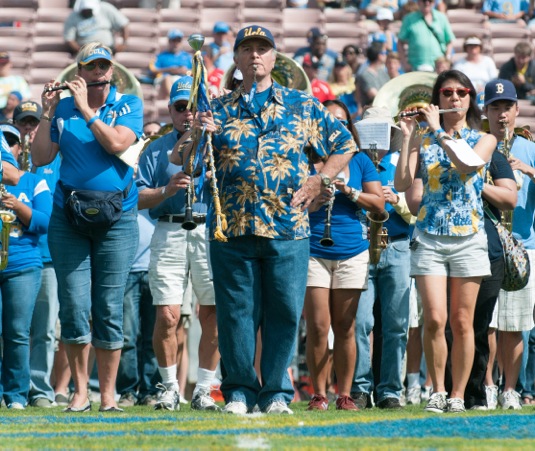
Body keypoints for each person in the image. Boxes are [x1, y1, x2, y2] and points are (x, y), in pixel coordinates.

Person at [195, 25, 358, 415]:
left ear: (274, 58)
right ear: (235, 59)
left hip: (288, 225)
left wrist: (321, 178)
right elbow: (187, 164)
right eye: (246, 49)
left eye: (262, 49)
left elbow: (344, 144)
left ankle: (275, 393)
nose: (254, 56)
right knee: (235, 313)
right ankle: (238, 391)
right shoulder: (216, 109)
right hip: (230, 226)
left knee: (284, 310)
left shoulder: (302, 105)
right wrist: (198, 136)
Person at [31, 42, 144, 413]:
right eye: (90, 66)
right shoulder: (62, 108)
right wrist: (49, 113)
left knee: (109, 307)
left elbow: (115, 144)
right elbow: (41, 158)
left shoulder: (128, 105)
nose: (97, 73)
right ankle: (80, 392)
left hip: (118, 220)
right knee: (74, 307)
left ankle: (108, 395)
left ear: (111, 71)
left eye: (103, 66)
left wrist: (84, 108)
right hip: (69, 217)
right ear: (79, 72)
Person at [394, 69, 497, 413]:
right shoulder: (424, 137)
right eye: (447, 93)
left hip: (469, 237)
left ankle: (457, 393)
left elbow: (467, 165)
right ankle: (437, 390)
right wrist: (409, 136)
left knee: (463, 321)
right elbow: (401, 183)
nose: (454, 98)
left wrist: (437, 130)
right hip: (429, 236)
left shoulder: (484, 138)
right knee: (435, 319)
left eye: (461, 92)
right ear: (437, 98)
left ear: (470, 99)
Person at [136, 76, 220, 412]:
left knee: (211, 313)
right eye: (181, 107)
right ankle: (169, 388)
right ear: (170, 110)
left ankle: (203, 388)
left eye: (193, 107)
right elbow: (137, 198)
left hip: (207, 229)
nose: (187, 113)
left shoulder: (217, 141)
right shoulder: (155, 148)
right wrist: (166, 190)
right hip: (169, 229)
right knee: (168, 315)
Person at [305, 100, 384, 412]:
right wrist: (314, 199)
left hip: (352, 250)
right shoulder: (305, 159)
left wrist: (349, 192)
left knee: (346, 325)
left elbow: (378, 205)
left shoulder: (360, 160)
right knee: (318, 326)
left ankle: (345, 394)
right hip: (311, 248)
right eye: (328, 120)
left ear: (348, 126)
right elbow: (288, 204)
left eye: (340, 120)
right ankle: (319, 394)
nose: (334, 125)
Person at [351, 106, 414, 410]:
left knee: (396, 324)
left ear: (391, 135)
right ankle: (360, 388)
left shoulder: (401, 162)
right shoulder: (355, 162)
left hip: (398, 244)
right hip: (362, 244)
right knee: (361, 321)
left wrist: (396, 199)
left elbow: (417, 210)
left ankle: (391, 390)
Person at [485, 79, 535, 410]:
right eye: (495, 108)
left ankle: (511, 389)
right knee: (486, 323)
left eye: (507, 107)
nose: (502, 115)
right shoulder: (477, 146)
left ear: (517, 110)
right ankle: (488, 385)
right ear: (485, 112)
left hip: (522, 244)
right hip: (484, 244)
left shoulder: (530, 148)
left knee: (514, 323)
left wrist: (528, 169)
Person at [0, 123, 52, 410]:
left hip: (22, 263)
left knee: (18, 331)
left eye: (12, 142)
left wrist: (17, 206)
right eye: (2, 142)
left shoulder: (33, 181)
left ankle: (16, 395)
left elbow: (46, 222)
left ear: (21, 149)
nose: (7, 147)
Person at [116, 209, 159, 407]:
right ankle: (128, 391)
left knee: (153, 338)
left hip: (156, 269)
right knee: (127, 337)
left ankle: (151, 391)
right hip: (127, 272)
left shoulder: (158, 184)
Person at [398, 0, 455, 73]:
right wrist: (405, 63)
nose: (427, 3)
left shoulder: (442, 18)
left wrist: (447, 59)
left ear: (434, 2)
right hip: (416, 67)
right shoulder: (409, 19)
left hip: (438, 68)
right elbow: (400, 42)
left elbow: (450, 41)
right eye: (424, 0)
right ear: (418, 2)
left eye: (430, 1)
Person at [64, 0, 129, 55]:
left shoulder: (106, 8)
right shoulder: (73, 16)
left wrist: (124, 44)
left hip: (107, 50)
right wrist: (81, 51)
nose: (87, 12)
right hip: (85, 52)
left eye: (89, 10)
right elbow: (69, 39)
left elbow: (123, 24)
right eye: (85, 10)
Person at [148, 29, 193, 100]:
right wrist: (169, 70)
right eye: (173, 40)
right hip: (164, 80)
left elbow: (196, 72)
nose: (176, 43)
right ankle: (174, 100)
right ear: (169, 41)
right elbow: (152, 70)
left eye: (178, 41)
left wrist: (186, 71)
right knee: (167, 78)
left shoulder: (188, 57)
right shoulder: (160, 56)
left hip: (182, 80)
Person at [356, 42, 390, 111]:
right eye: (384, 53)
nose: (386, 55)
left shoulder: (382, 72)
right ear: (379, 55)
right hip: (372, 112)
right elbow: (374, 96)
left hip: (385, 110)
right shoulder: (365, 74)